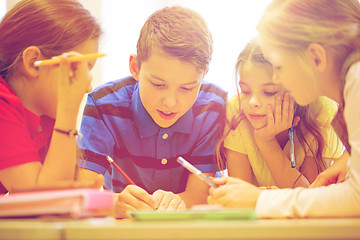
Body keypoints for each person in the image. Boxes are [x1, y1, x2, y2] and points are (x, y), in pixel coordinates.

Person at [208, 0, 360, 218]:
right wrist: (348, 159)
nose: (278, 78)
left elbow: (356, 198)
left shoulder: (356, 79)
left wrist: (260, 200)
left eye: (279, 66)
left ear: (316, 57)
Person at [77, 6, 227, 218]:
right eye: (158, 84)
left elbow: (201, 194)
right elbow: (82, 193)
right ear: (135, 67)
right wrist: (117, 203)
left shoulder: (213, 107)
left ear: (203, 77)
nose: (171, 102)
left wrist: (181, 201)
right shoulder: (103, 105)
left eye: (187, 88)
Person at [0, 0, 103, 194]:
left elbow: (58, 198)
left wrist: (113, 204)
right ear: (33, 62)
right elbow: (41, 201)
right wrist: (68, 110)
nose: (87, 87)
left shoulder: (45, 118)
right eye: (76, 69)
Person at [216, 37, 343, 189]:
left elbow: (309, 196)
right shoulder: (237, 109)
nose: (252, 102)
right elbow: (238, 195)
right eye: (245, 91)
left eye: (269, 92)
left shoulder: (323, 111)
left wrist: (266, 142)